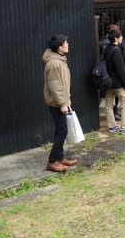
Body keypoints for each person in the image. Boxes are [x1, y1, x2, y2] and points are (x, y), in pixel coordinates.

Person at [42, 34, 78, 172]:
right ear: (59, 47)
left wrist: (66, 100)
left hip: (61, 101)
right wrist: (62, 103)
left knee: (60, 130)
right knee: (62, 131)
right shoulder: (53, 63)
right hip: (56, 103)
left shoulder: (60, 60)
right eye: (66, 43)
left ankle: (60, 157)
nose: (68, 44)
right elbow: (55, 86)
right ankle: (52, 161)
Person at [103, 29, 125, 136]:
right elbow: (121, 69)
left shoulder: (106, 48)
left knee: (109, 104)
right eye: (120, 36)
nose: (122, 38)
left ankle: (112, 126)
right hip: (118, 83)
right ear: (116, 38)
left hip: (107, 82)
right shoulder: (116, 50)